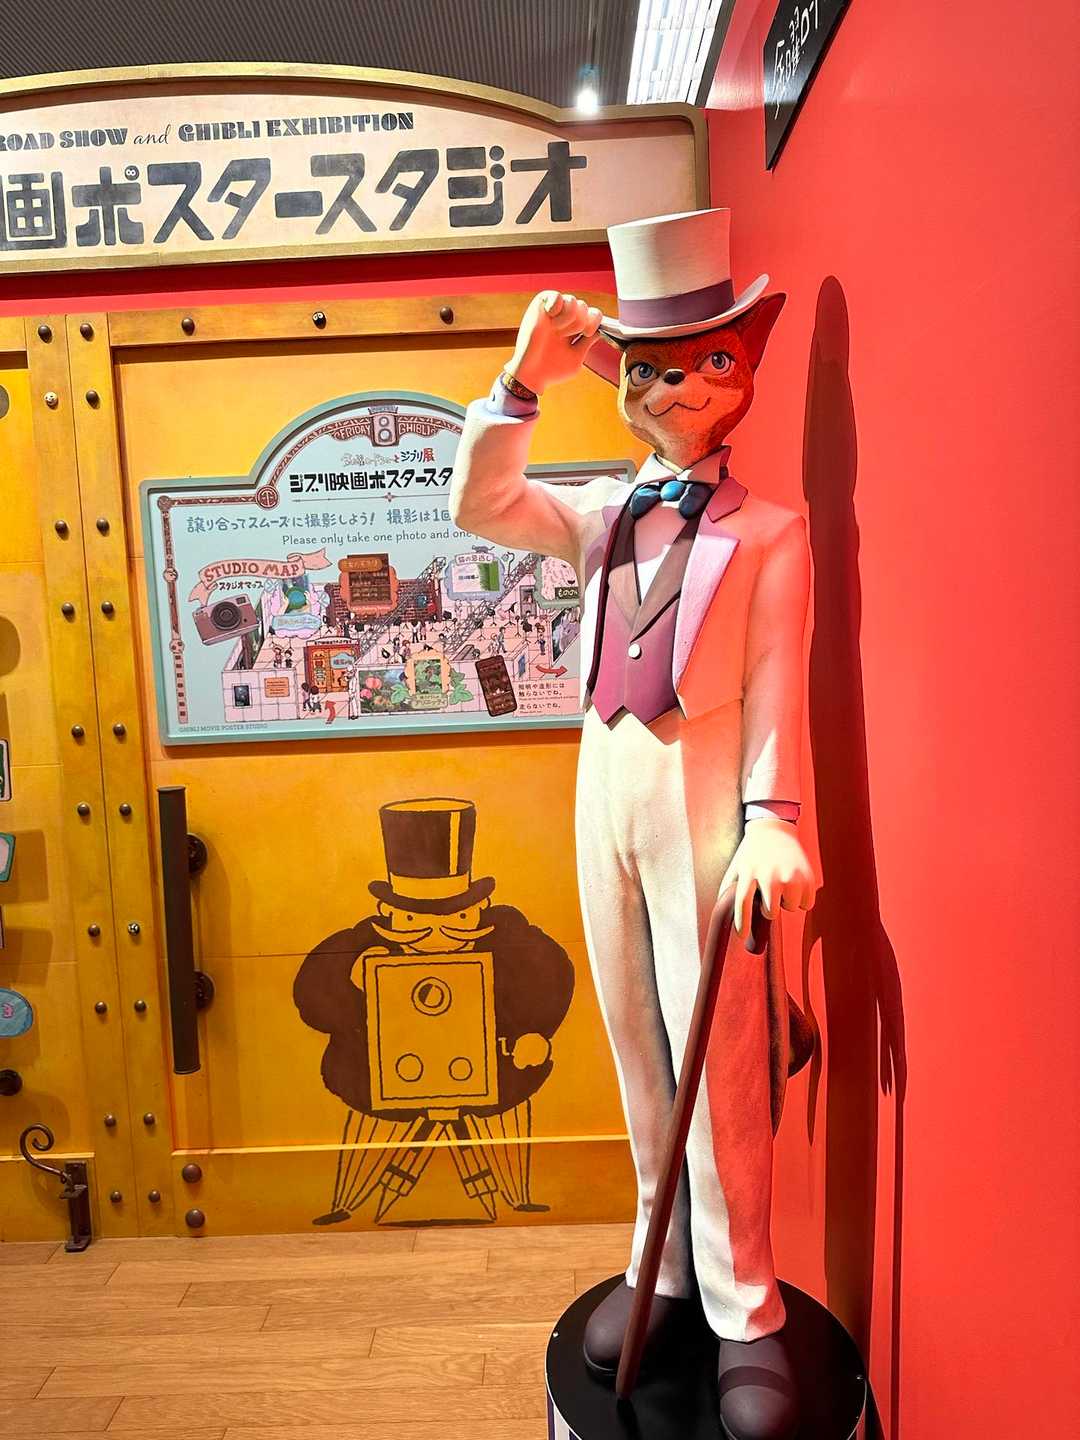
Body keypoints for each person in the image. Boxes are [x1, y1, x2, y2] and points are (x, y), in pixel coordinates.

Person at [450, 209, 816, 1440]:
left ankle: (745, 1301)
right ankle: (659, 1266)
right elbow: (482, 503)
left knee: (725, 1050)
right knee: (631, 1036)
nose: (677, 388)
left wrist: (773, 817)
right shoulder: (601, 512)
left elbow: (779, 683)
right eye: (649, 366)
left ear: (744, 367)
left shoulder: (772, 534)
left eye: (709, 360)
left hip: (702, 787)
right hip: (602, 779)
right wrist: (520, 383)